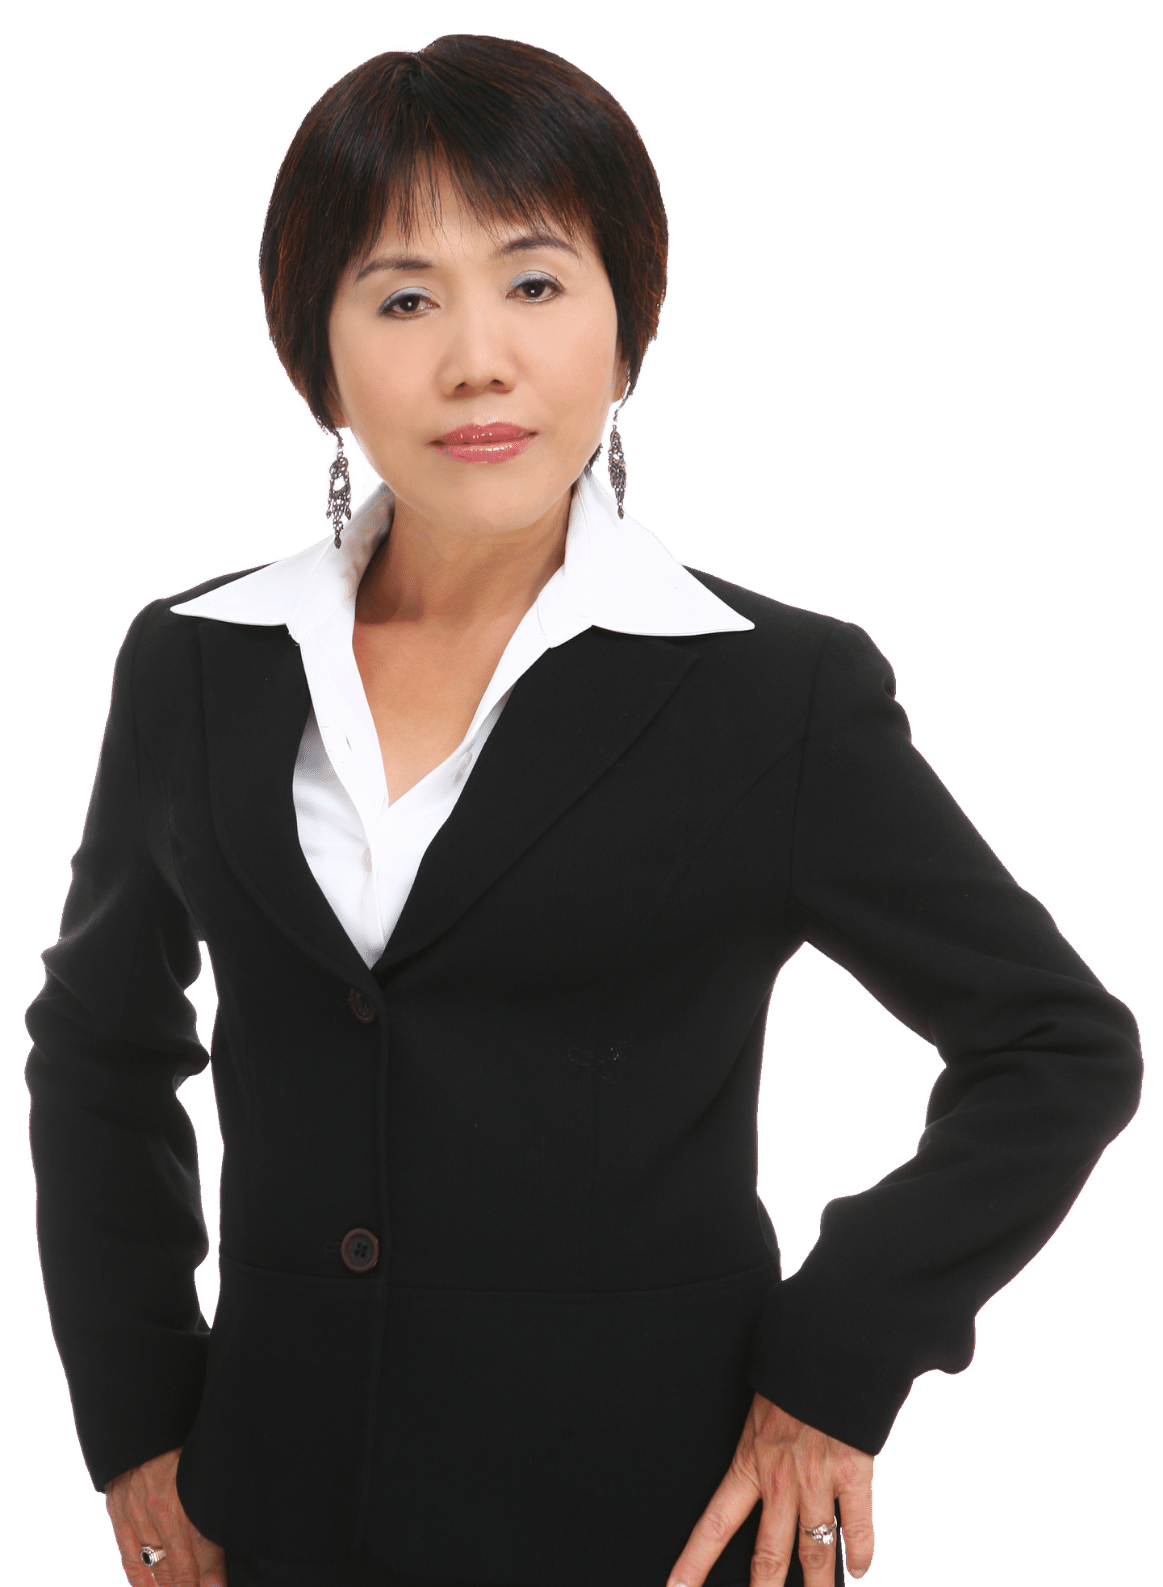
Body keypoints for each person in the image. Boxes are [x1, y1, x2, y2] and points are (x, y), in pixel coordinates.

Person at [24, 33, 1142, 1587]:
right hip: (267, 1513)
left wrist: (839, 1354)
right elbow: (97, 1046)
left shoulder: (771, 691)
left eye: (536, 282)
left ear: (624, 332)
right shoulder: (197, 660)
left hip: (646, 1521)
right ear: (317, 357)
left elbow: (1054, 1043)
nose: (477, 359)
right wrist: (138, 1409)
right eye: (403, 298)